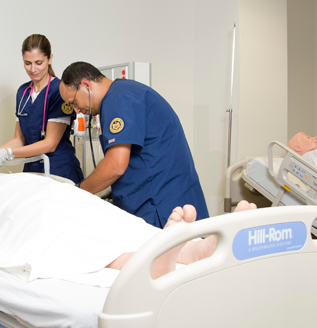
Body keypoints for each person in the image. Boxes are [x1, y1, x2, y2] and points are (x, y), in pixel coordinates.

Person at [0, 174, 255, 281]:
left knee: (101, 215)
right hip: (9, 204)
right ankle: (154, 257)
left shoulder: (4, 173)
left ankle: (187, 248)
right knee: (64, 234)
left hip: (44, 189)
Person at [58, 62, 208, 228]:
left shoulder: (118, 100)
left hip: (161, 205)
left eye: (73, 102)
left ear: (86, 85)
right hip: (167, 197)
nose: (76, 110)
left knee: (178, 251)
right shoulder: (125, 92)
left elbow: (115, 165)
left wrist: (79, 191)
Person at [0, 35, 83, 184]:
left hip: (59, 170)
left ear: (50, 59)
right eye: (27, 63)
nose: (33, 69)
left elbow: (50, 143)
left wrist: (6, 154)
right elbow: (19, 139)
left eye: (39, 63)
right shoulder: (22, 93)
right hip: (32, 170)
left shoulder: (60, 90)